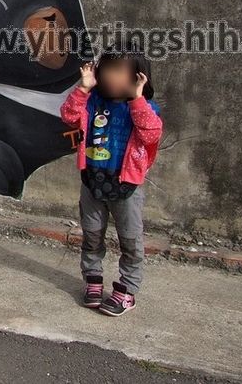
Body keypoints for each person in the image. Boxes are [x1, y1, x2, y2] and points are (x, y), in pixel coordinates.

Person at [60, 46, 163, 316]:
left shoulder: (144, 108)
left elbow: (151, 135)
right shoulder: (92, 101)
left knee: (130, 240)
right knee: (92, 235)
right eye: (106, 69)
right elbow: (69, 116)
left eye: (119, 71)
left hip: (127, 187)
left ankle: (127, 290)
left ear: (138, 77)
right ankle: (93, 281)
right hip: (92, 182)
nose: (110, 76)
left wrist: (137, 99)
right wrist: (83, 89)